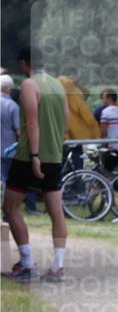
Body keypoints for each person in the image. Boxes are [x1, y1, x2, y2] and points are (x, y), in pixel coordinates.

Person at [1, 46, 68, 282]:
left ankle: (27, 262)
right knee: (56, 212)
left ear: (24, 63)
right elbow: (65, 121)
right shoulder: (59, 84)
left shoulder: (30, 84)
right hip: (55, 155)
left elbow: (31, 123)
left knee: (10, 207)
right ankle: (58, 267)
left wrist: (36, 154)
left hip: (30, 156)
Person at [1, 74, 19, 183]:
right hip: (8, 149)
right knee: (7, 177)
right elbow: (19, 130)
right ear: (10, 89)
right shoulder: (13, 106)